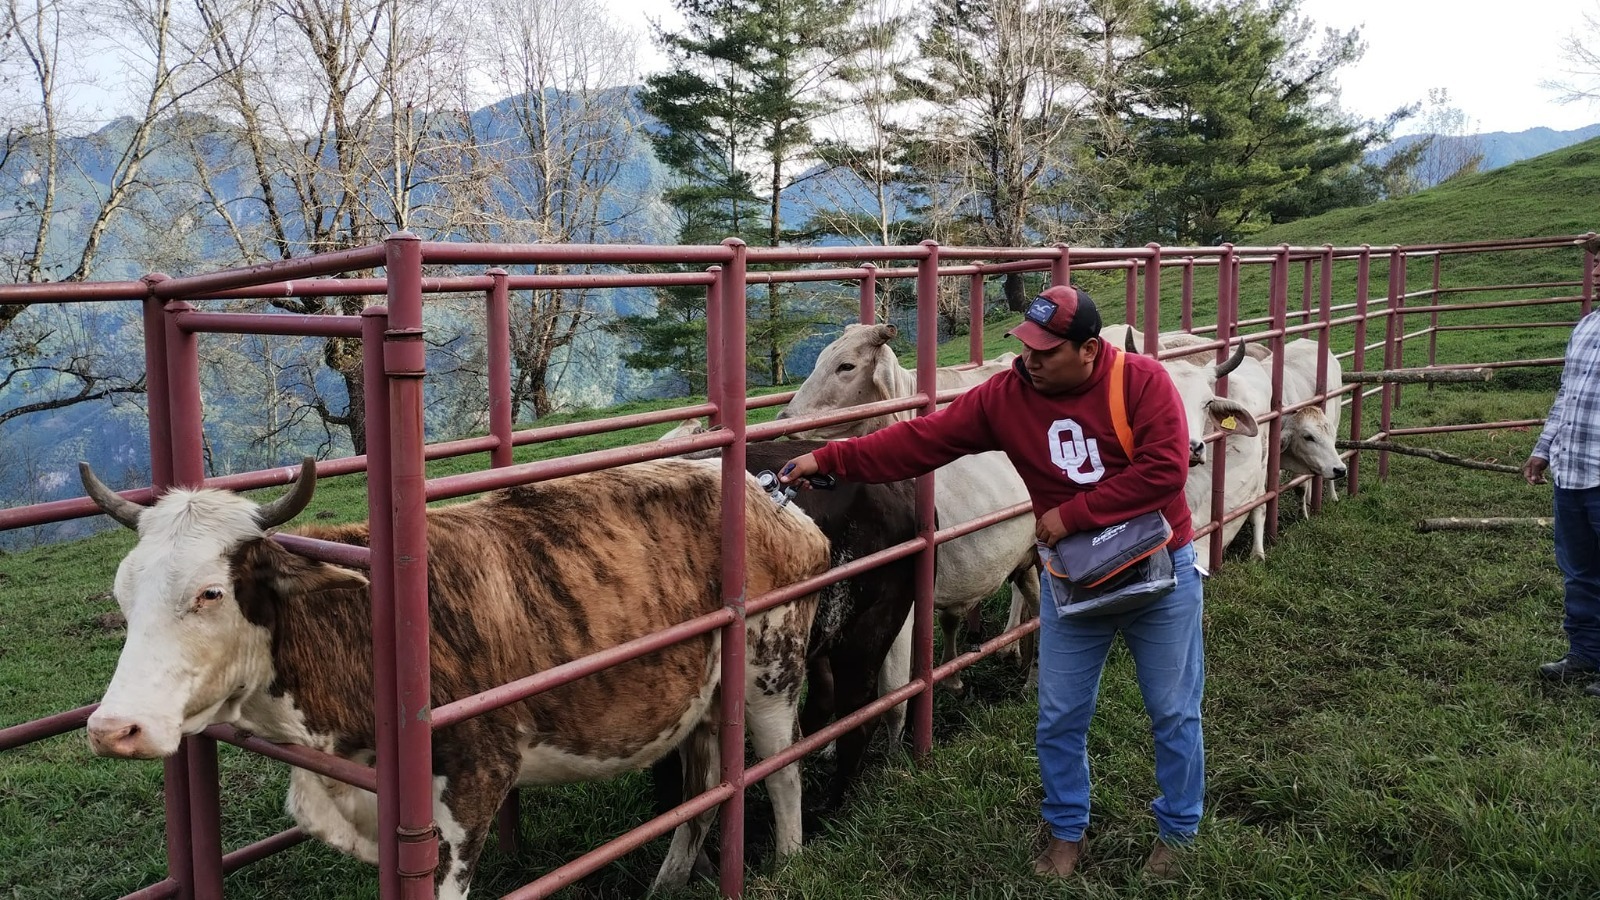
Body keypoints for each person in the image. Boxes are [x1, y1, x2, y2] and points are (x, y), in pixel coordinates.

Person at [779, 285, 1204, 879]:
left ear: (1088, 350)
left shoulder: (1141, 382)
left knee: (1173, 710)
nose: (1029, 360)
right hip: (1075, 580)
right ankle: (1064, 832)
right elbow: (923, 440)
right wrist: (831, 459)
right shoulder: (1009, 396)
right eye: (1025, 346)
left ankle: (1178, 832)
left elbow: (1164, 470)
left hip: (1160, 574)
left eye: (1046, 351)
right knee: (1059, 715)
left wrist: (1070, 516)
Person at [1523, 306, 1600, 698]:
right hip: (1572, 469)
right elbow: (1567, 395)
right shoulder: (1587, 325)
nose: (1598, 271)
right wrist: (1544, 447)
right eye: (1596, 263)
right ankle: (1586, 653)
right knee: (1579, 570)